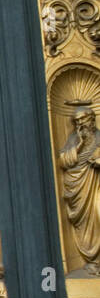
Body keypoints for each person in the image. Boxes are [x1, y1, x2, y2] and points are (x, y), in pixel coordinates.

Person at [59, 105, 100, 273]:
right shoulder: (74, 139)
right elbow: (64, 161)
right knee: (86, 223)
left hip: (96, 183)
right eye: (76, 122)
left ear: (91, 119)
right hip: (79, 186)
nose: (79, 124)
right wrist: (80, 145)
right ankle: (94, 261)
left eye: (82, 120)